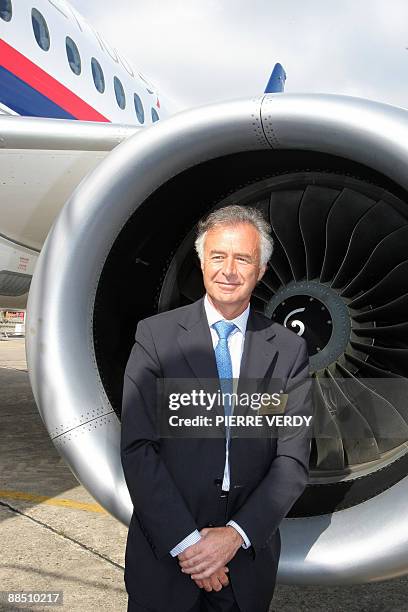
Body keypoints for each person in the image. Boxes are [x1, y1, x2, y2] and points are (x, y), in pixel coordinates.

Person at [121, 205, 313, 612]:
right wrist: (191, 546)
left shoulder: (289, 350)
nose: (229, 270)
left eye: (243, 258)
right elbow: (138, 448)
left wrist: (234, 536)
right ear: (201, 262)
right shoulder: (156, 338)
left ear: (260, 270)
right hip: (167, 555)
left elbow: (291, 461)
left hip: (244, 563)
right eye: (217, 256)